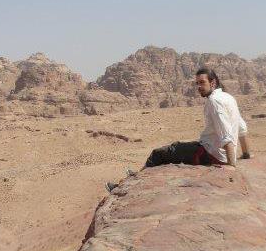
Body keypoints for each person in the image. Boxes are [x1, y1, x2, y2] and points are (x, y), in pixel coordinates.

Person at [106, 68, 252, 192]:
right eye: (197, 83)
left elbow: (226, 134)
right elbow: (242, 128)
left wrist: (232, 165)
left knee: (158, 154)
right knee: (174, 151)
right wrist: (246, 154)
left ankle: (127, 185)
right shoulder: (229, 98)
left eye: (202, 83)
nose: (198, 87)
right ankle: (136, 177)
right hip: (215, 151)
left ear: (213, 82)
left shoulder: (214, 101)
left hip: (210, 153)